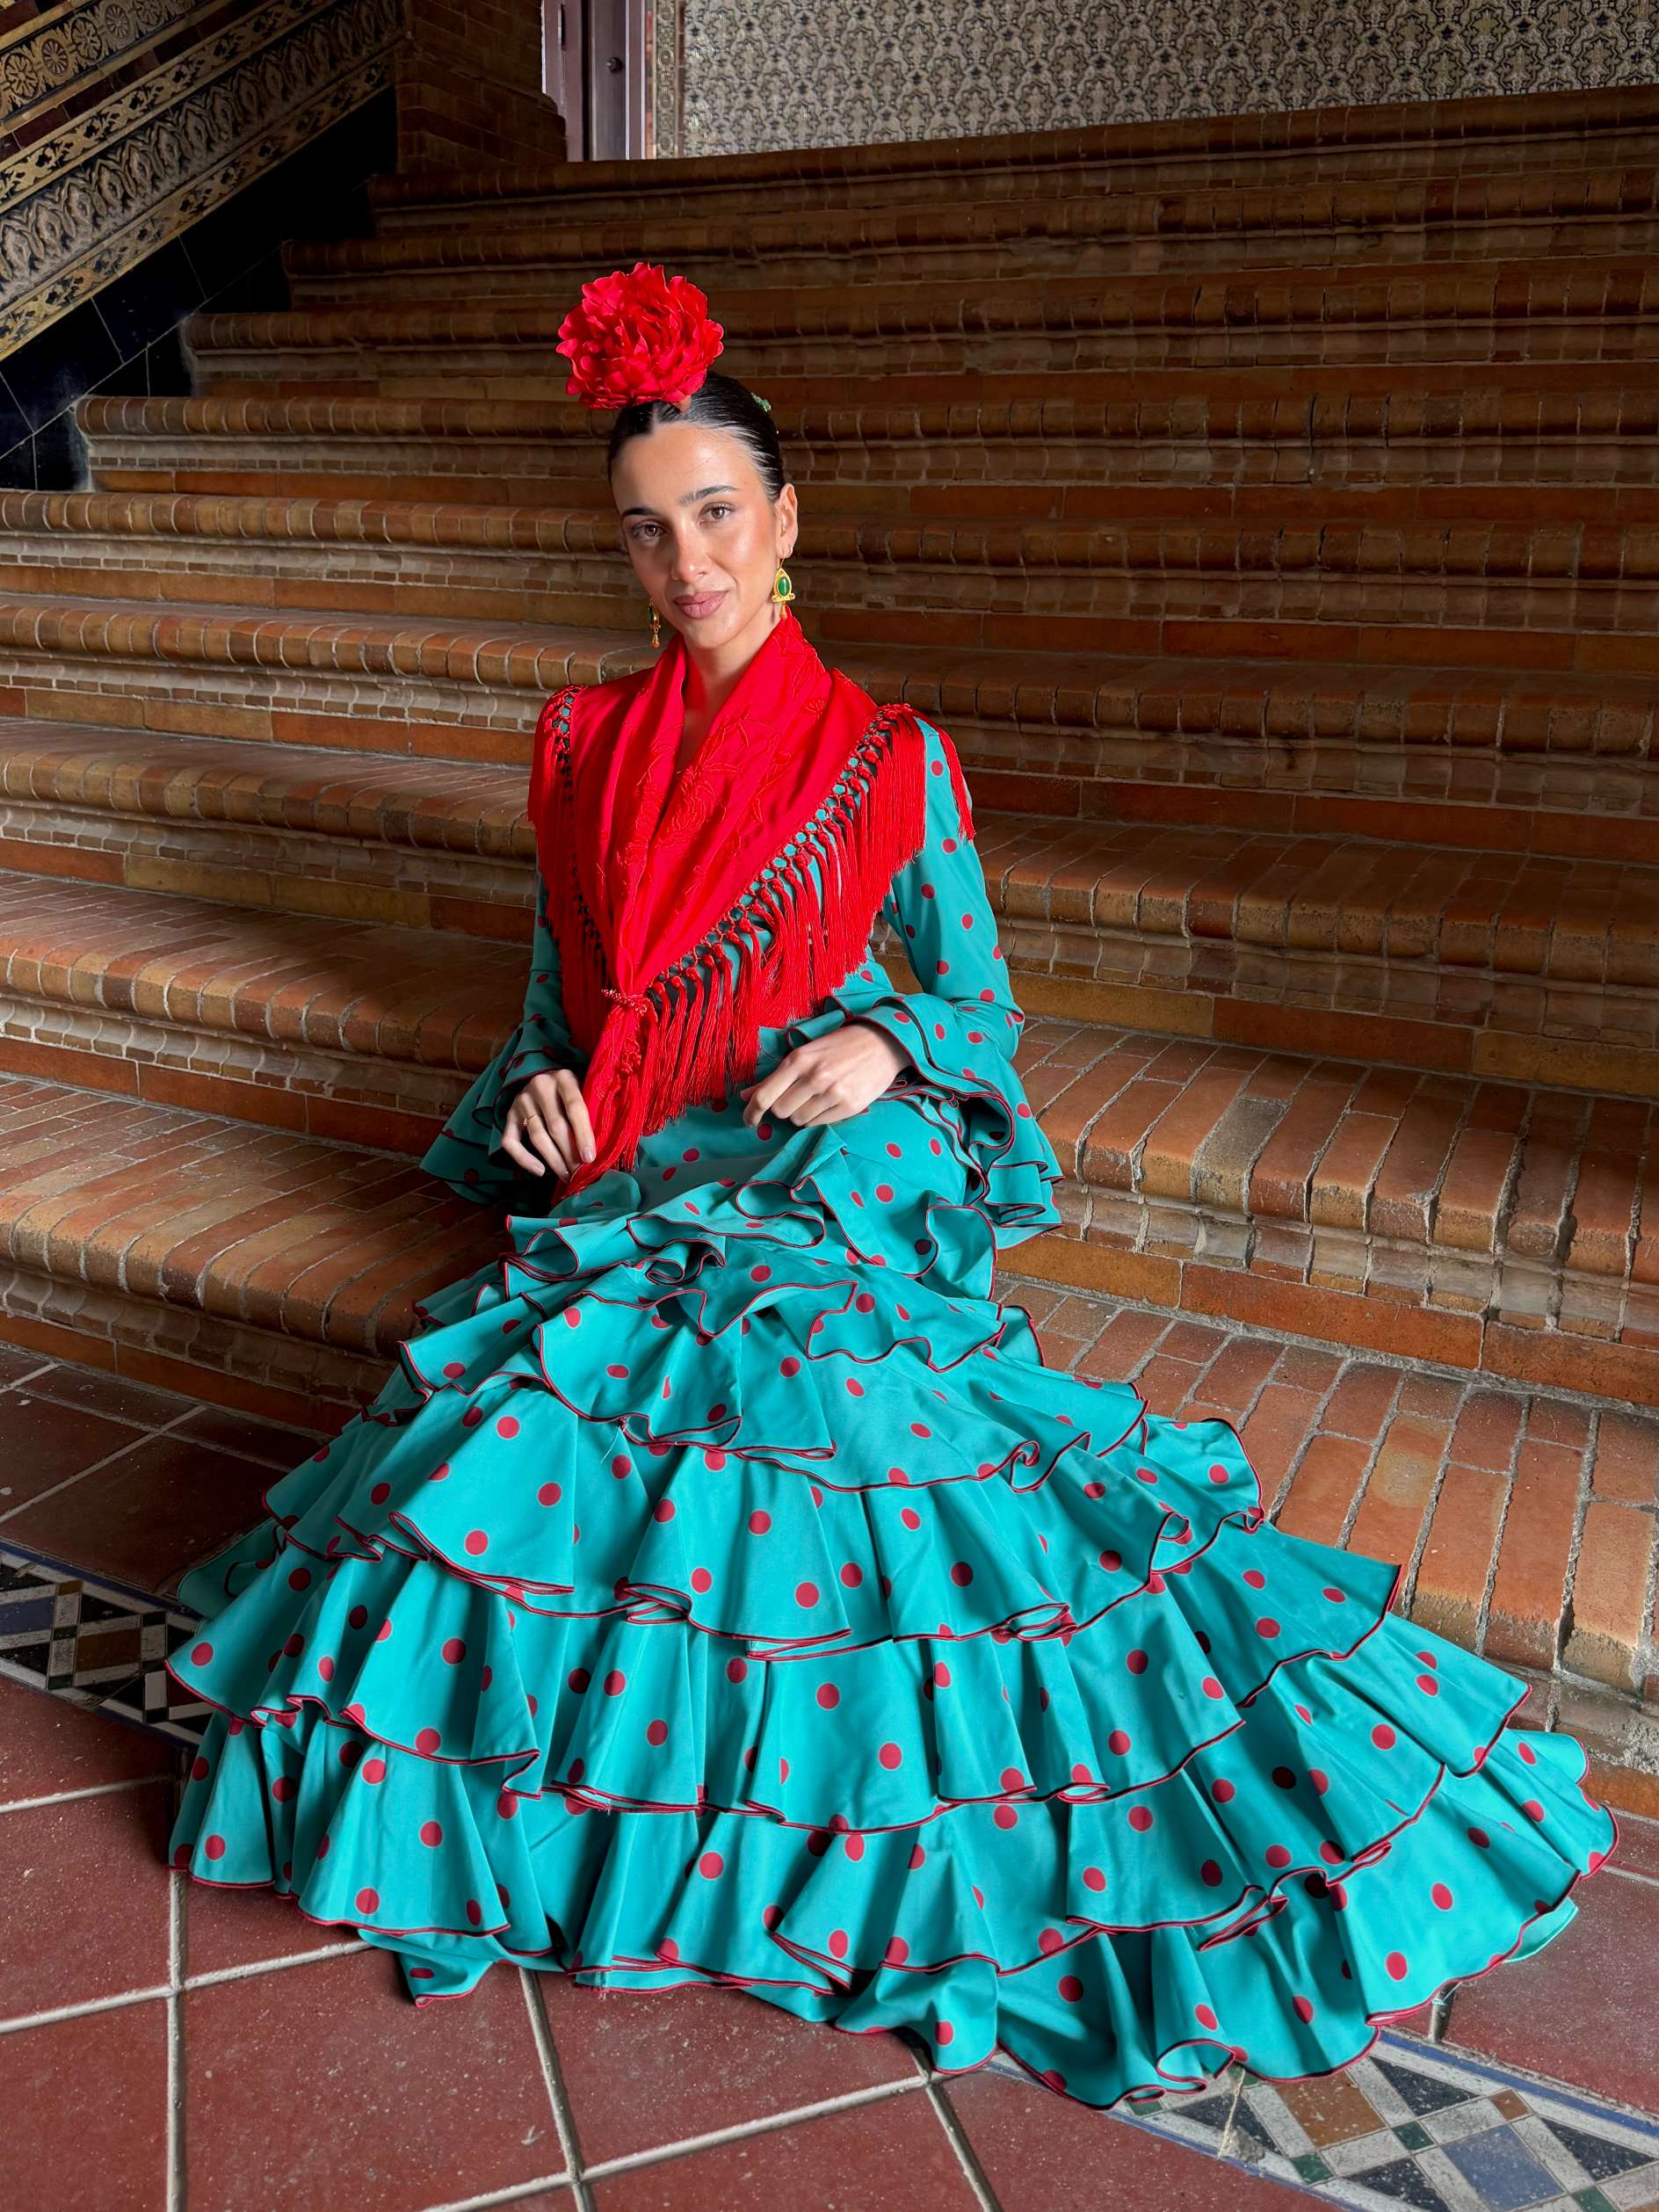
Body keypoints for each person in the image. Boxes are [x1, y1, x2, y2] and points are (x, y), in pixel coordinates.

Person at [163, 263, 1619, 2112]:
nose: (685, 560)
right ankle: (629, 1814)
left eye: (714, 514)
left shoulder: (880, 757)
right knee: (524, 1429)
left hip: (826, 1145)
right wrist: (535, 1085)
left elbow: (979, 1004)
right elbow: (560, 993)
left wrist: (891, 1051)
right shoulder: (577, 743)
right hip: (636, 1149)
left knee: (811, 1400)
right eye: (645, 530)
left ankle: (1014, 1805)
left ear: (783, 519)